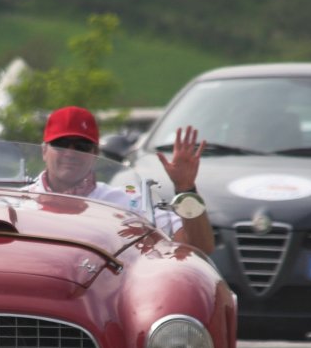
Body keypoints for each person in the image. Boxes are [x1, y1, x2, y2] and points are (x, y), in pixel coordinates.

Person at [26, 106, 215, 254]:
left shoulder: (127, 203)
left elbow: (199, 247)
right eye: (61, 144)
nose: (70, 153)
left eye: (81, 146)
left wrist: (186, 189)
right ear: (44, 151)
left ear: (95, 154)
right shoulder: (18, 203)